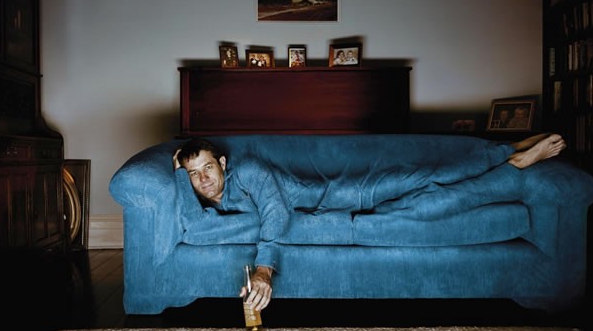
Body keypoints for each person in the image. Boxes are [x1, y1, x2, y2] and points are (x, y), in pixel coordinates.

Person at [173, 133, 566, 311]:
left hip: (351, 194)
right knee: (433, 204)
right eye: (193, 174)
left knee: (429, 176)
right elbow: (193, 224)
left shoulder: (248, 169)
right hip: (347, 222)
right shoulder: (209, 200)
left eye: (208, 167)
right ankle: (513, 168)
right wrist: (177, 173)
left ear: (222, 163)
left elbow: (276, 212)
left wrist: (263, 270)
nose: (203, 179)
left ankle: (506, 149)